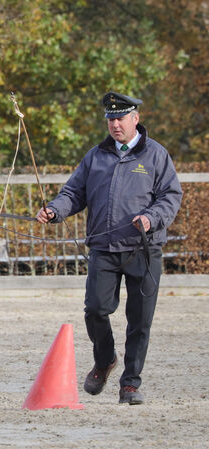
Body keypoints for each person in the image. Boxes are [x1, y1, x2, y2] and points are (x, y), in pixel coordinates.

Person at [36, 91, 182, 405]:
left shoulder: (156, 155)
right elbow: (74, 192)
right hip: (103, 247)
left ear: (135, 119)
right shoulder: (95, 156)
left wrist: (150, 218)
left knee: (140, 321)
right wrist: (54, 210)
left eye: (120, 118)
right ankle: (105, 361)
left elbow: (171, 196)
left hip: (144, 249)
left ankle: (130, 385)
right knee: (95, 310)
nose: (115, 124)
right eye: (110, 119)